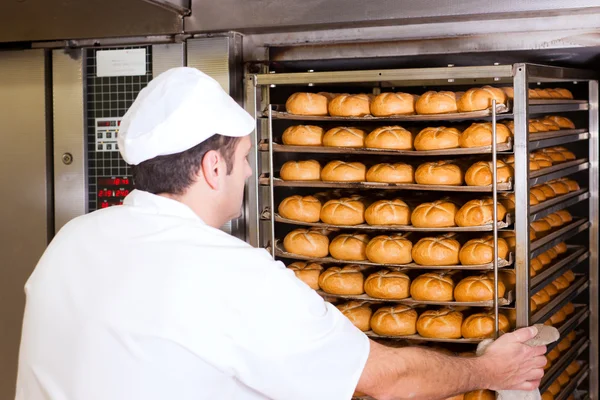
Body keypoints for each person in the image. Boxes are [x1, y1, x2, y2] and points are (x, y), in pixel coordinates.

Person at [15, 67, 546, 400]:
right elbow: (387, 381)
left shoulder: (70, 241)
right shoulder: (228, 271)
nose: (250, 174)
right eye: (245, 159)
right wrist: (490, 369)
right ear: (211, 169)